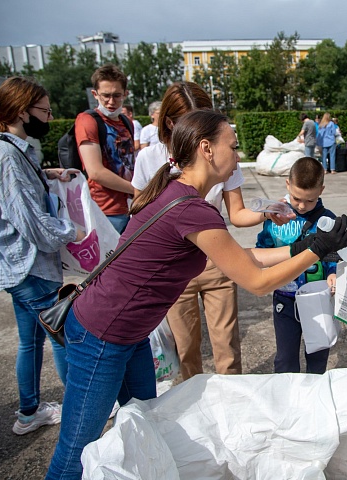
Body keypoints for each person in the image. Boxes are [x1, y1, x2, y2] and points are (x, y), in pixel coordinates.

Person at [45, 109, 347, 479]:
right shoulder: (193, 210)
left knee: (146, 424)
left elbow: (244, 257)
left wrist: (306, 245)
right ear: (207, 149)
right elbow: (257, 281)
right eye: (234, 146)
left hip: (128, 336)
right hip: (102, 334)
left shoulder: (181, 195)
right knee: (76, 452)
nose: (238, 155)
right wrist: (317, 250)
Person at [132, 81, 292, 378]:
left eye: (205, 118)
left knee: (226, 348)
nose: (201, 128)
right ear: (170, 123)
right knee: (185, 348)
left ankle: (231, 409)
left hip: (216, 258)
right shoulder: (150, 159)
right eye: (191, 121)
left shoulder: (223, 158)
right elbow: (141, 219)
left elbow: (238, 213)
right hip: (175, 266)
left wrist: (267, 212)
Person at [0, 77, 85, 435]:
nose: (49, 119)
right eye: (44, 111)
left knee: (29, 339)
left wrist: (49, 174)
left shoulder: (12, 149)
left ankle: (29, 411)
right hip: (29, 265)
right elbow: (31, 221)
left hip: (19, 266)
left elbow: (22, 190)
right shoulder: (7, 156)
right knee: (63, 332)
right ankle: (82, 406)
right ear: (21, 111)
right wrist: (73, 232)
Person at [256, 156, 338, 374]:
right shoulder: (275, 218)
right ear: (287, 185)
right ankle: (286, 398)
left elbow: (333, 255)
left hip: (317, 299)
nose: (302, 206)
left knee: (318, 356)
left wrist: (332, 273)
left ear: (321, 189)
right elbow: (263, 247)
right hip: (284, 297)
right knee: (285, 358)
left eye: (310, 200)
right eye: (296, 198)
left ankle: (314, 396)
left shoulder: (328, 220)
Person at [75, 63, 135, 234]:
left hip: (129, 206)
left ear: (125, 94)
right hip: (105, 209)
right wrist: (135, 189)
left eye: (117, 95)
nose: (111, 102)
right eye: (105, 96)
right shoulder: (87, 120)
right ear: (95, 94)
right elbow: (95, 171)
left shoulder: (126, 121)